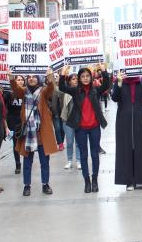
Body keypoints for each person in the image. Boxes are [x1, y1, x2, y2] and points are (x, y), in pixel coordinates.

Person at [59, 63, 110, 193]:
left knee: (94, 154)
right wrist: (63, 74)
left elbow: (106, 85)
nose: (86, 78)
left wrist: (104, 71)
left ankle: (94, 180)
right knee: (83, 155)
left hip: (94, 127)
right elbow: (62, 87)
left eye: (88, 76)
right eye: (83, 76)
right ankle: (86, 181)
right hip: (80, 128)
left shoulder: (95, 89)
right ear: (79, 78)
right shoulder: (76, 91)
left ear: (91, 77)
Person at [11, 71, 58, 196]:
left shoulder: (43, 91)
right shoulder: (24, 91)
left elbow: (51, 88)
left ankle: (45, 184)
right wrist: (11, 77)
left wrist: (50, 76)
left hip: (41, 132)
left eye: (34, 77)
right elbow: (15, 89)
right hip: (28, 134)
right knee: (27, 162)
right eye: (29, 77)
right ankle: (27, 186)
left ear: (38, 79)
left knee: (44, 161)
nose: (31, 79)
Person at [112, 72, 142, 190]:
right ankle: (129, 181)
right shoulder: (120, 80)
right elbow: (115, 98)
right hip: (123, 119)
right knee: (126, 147)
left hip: (140, 117)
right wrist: (119, 84)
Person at [4, 75, 25, 174]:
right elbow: (4, 108)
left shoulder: (26, 92)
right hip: (13, 121)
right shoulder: (9, 94)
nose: (20, 82)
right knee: (16, 143)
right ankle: (18, 164)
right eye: (18, 80)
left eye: (22, 80)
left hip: (25, 121)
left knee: (26, 143)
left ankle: (27, 162)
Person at [61, 73, 82, 170]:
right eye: (73, 79)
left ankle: (78, 160)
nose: (75, 80)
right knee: (69, 142)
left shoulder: (82, 91)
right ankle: (69, 160)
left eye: (77, 79)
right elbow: (56, 88)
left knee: (78, 142)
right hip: (67, 120)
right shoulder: (65, 92)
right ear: (69, 81)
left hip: (79, 121)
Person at [49, 73, 65, 152]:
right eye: (54, 76)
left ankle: (62, 140)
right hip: (55, 112)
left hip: (63, 111)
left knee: (63, 129)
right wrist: (51, 106)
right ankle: (60, 144)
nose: (55, 78)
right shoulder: (50, 88)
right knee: (57, 128)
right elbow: (47, 99)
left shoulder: (63, 86)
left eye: (57, 76)